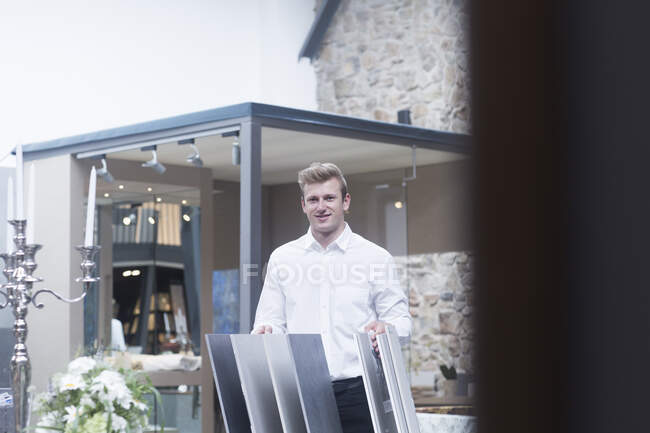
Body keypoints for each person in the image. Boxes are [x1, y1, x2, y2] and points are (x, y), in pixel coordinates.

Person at [253, 162, 411, 433]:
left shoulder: (374, 257)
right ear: (303, 205)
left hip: (360, 392)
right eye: (313, 199)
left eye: (329, 198)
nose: (321, 206)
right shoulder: (282, 259)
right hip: (300, 391)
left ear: (345, 201)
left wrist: (389, 329)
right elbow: (270, 321)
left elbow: (402, 322)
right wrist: (265, 333)